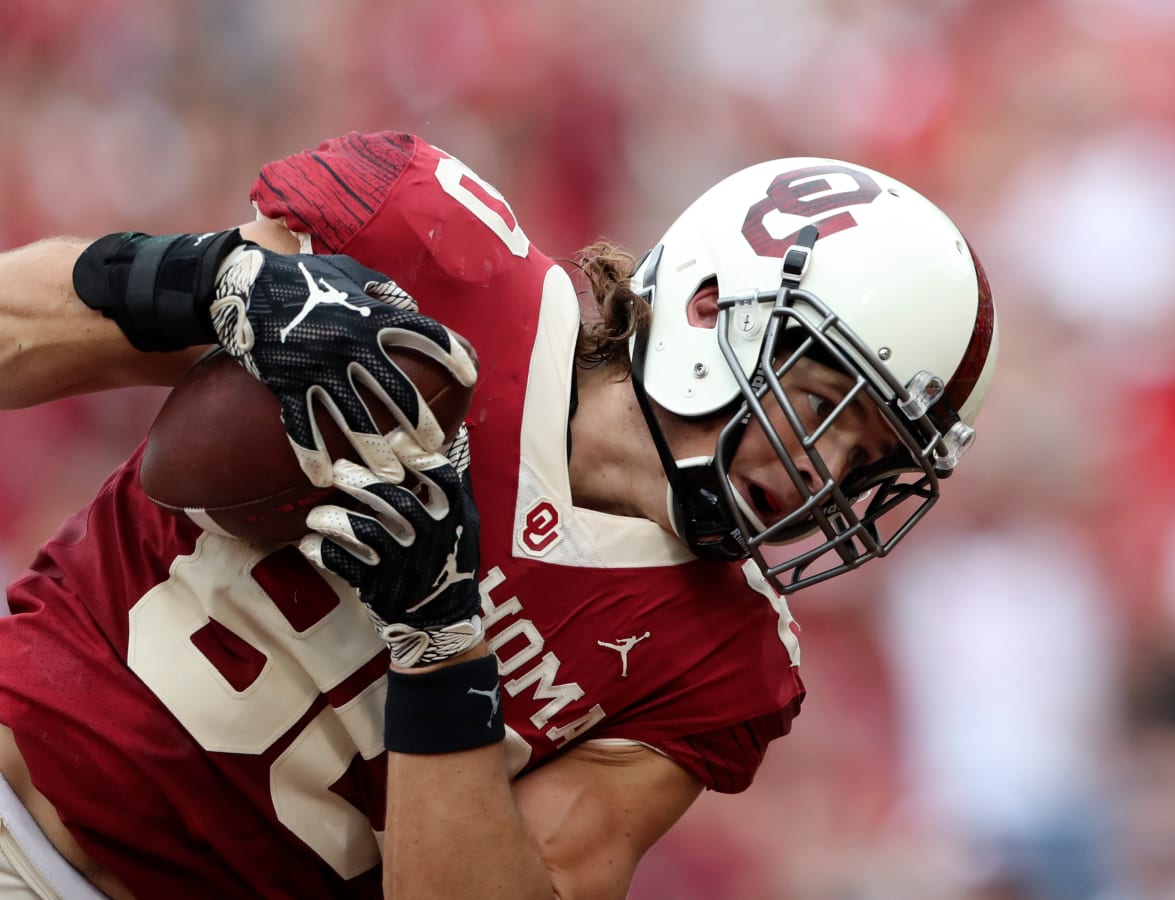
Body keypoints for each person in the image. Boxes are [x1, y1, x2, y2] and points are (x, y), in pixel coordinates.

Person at [0, 131, 998, 899]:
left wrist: (441, 646)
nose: (827, 470)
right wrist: (208, 279)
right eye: (822, 405)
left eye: (870, 461)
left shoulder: (724, 668)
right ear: (709, 305)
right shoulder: (435, 250)